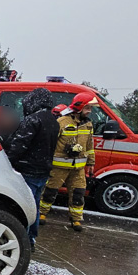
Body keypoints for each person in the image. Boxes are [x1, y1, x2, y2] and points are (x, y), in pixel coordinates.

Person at [4, 88, 60, 248]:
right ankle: (30, 238)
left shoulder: (33, 120)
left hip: (27, 170)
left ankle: (22, 240)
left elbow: (19, 145)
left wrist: (7, 161)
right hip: (42, 171)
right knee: (34, 205)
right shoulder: (53, 120)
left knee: (23, 206)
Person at [38, 92, 96, 232]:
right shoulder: (62, 122)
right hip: (59, 166)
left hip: (78, 168)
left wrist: (91, 163)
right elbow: (50, 143)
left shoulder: (88, 125)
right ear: (79, 107)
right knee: (50, 191)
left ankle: (76, 219)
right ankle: (41, 213)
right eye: (87, 108)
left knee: (78, 193)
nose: (89, 112)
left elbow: (90, 145)